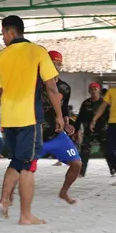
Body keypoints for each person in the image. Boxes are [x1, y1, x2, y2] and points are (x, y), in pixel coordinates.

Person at [0, 16, 63, 225]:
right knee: (27, 164)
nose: (3, 38)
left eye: (3, 33)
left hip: (9, 116)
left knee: (21, 161)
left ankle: (13, 206)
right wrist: (59, 115)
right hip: (29, 116)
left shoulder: (0, 56)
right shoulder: (38, 52)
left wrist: (7, 111)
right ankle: (21, 212)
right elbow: (51, 87)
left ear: (11, 32)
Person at [31, 51, 82, 205]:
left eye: (58, 64)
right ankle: (10, 195)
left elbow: (64, 110)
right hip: (35, 135)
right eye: (52, 63)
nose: (56, 66)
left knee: (77, 164)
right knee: (22, 169)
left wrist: (67, 124)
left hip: (57, 135)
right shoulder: (34, 85)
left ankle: (64, 192)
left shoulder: (65, 88)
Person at [75, 82, 111, 177]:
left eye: (95, 89)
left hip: (102, 130)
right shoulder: (86, 103)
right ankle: (82, 172)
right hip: (88, 131)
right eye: (91, 89)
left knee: (107, 151)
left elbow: (109, 118)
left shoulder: (104, 103)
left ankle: (113, 169)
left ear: (99, 90)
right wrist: (76, 130)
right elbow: (79, 118)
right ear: (89, 91)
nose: (93, 91)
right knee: (84, 152)